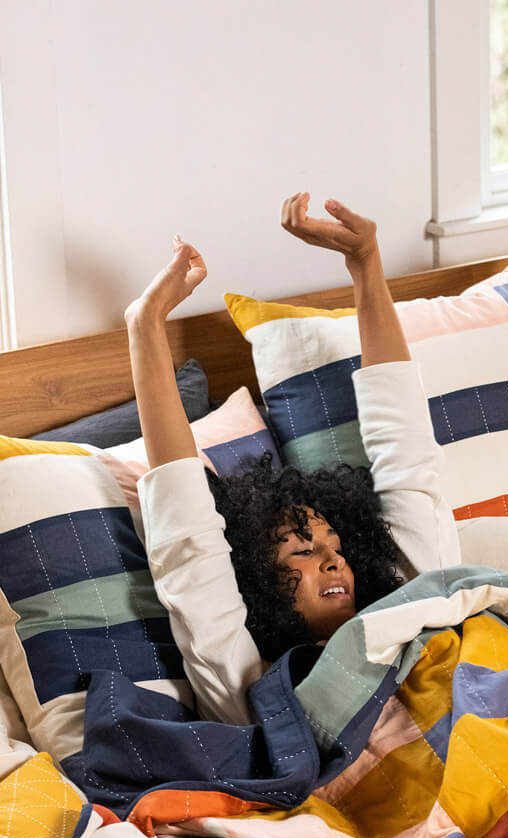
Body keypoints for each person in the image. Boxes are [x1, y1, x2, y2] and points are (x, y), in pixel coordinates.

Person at [124, 194, 459, 726]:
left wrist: (367, 265)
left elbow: (408, 454)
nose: (333, 561)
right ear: (257, 580)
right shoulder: (249, 687)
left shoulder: (415, 608)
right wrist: (145, 326)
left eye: (335, 546)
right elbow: (188, 544)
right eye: (302, 551)